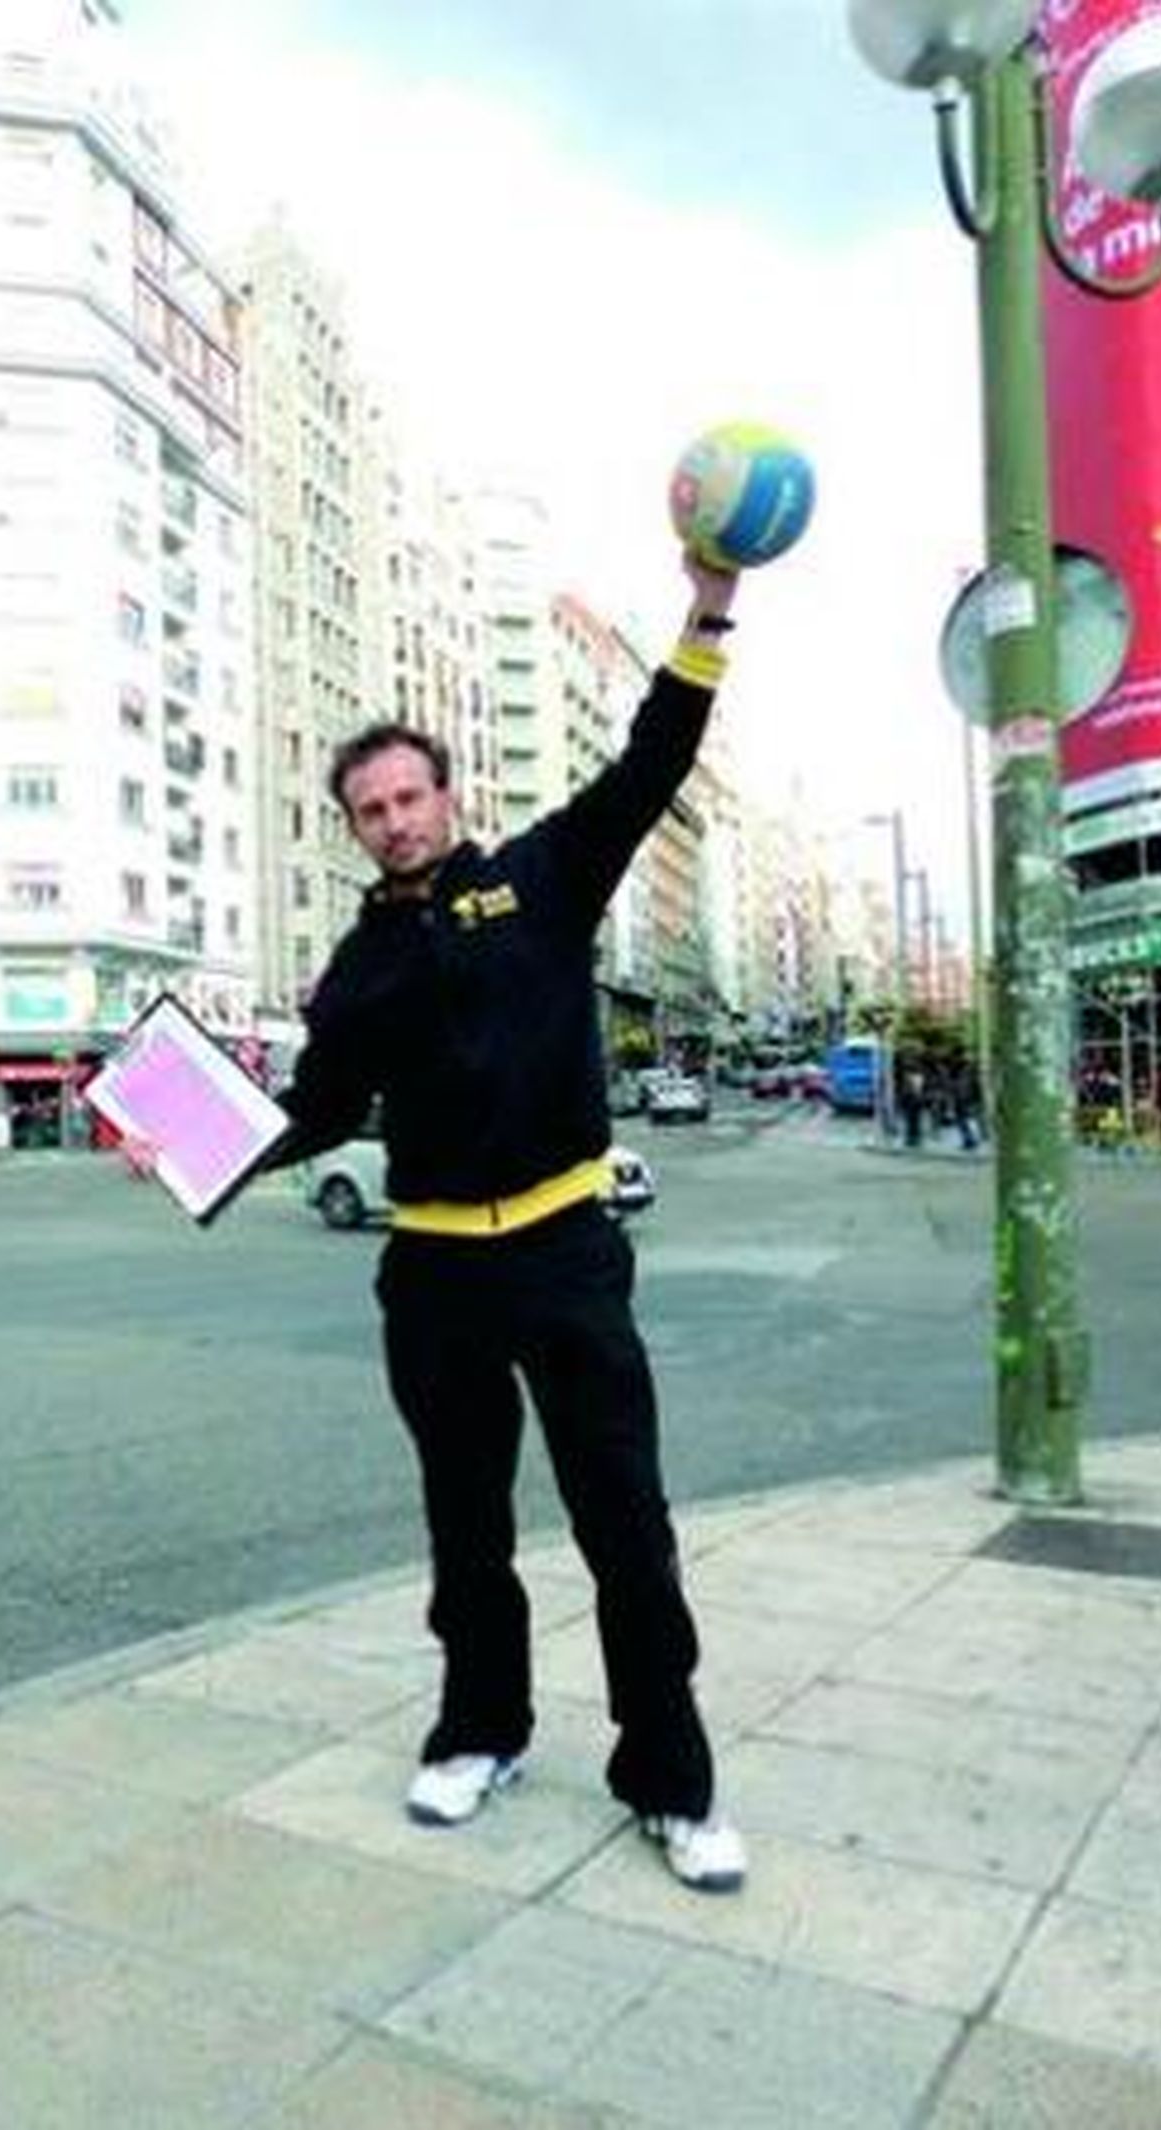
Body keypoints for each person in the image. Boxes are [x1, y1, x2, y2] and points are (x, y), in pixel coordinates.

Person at [230, 545, 748, 1892]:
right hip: (436, 1274)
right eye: (370, 809)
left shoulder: (544, 875)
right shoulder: (356, 969)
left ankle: (672, 1778)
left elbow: (651, 763)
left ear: (449, 795)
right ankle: (480, 1730)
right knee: (466, 1527)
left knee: (625, 1525)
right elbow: (320, 1108)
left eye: (409, 796)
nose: (394, 820)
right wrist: (207, 1146)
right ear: (352, 829)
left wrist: (708, 611)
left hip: (568, 1255)